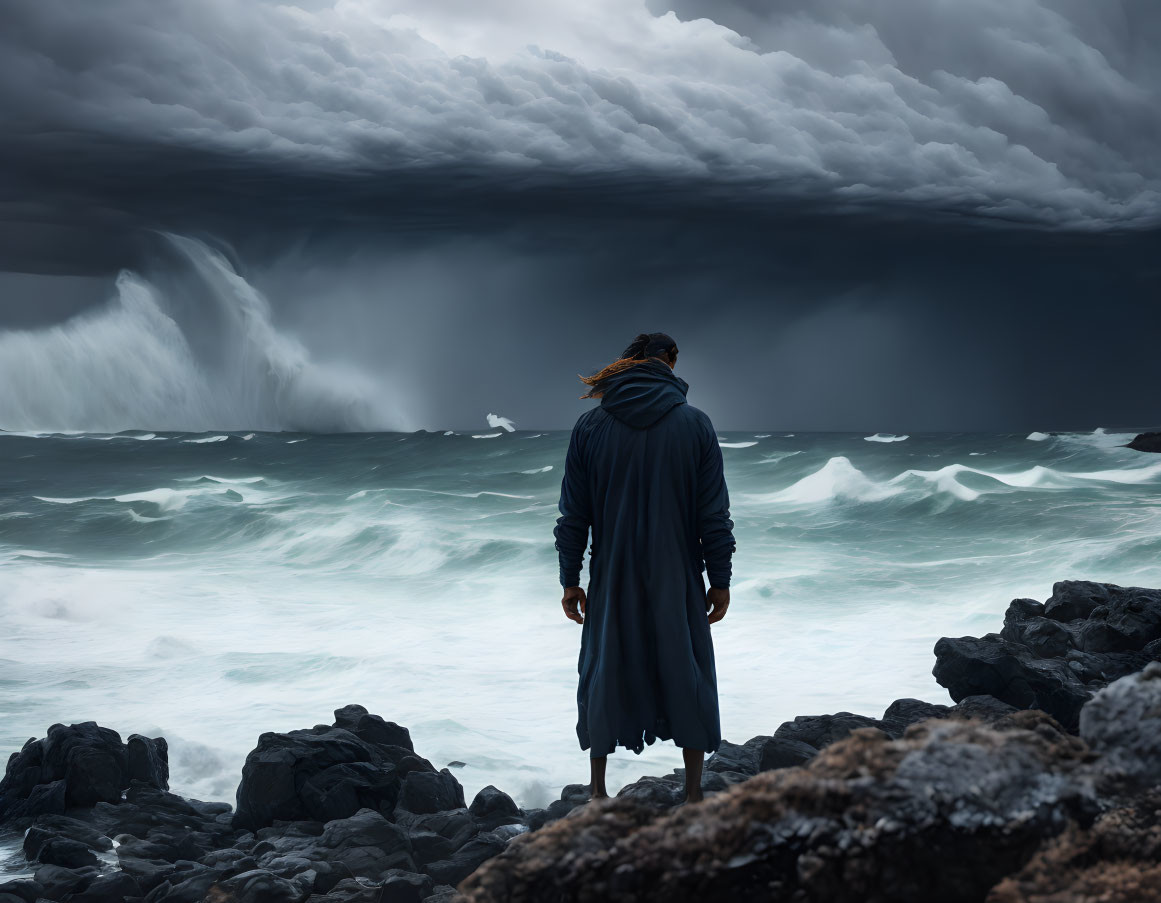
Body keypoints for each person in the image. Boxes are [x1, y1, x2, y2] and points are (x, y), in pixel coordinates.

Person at [553, 331, 736, 805]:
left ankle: (597, 792)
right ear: (670, 361)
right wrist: (720, 579)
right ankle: (693, 793)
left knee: (604, 666)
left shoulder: (590, 427)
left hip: (612, 572)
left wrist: (570, 579)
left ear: (628, 362)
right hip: (676, 571)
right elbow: (712, 515)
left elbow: (574, 515)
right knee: (687, 667)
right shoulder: (696, 425)